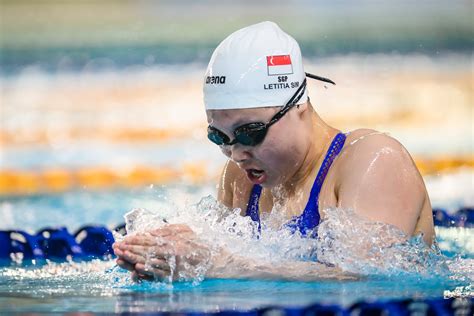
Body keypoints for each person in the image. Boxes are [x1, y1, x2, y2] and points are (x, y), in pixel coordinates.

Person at [113, 21, 435, 282]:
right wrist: (165, 261)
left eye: (250, 133)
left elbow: (366, 282)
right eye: (219, 137)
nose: (236, 153)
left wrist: (222, 264)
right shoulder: (240, 180)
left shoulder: (372, 161)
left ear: (298, 104)